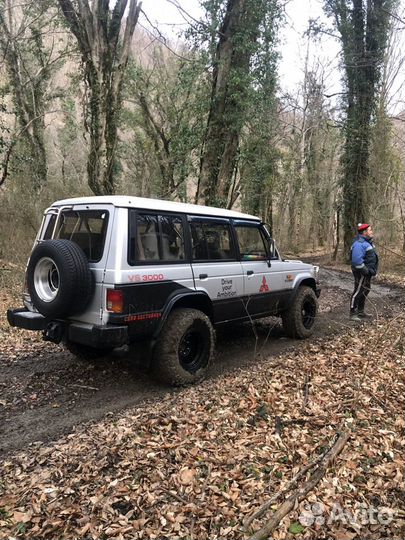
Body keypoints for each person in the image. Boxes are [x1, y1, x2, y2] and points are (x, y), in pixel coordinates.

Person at [350, 223, 379, 320]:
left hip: (367, 272)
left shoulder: (367, 243)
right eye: (370, 230)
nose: (372, 232)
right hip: (361, 272)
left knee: (365, 290)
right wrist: (365, 271)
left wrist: (370, 271)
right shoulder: (359, 244)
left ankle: (360, 311)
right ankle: (353, 313)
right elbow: (356, 261)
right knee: (358, 291)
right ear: (364, 232)